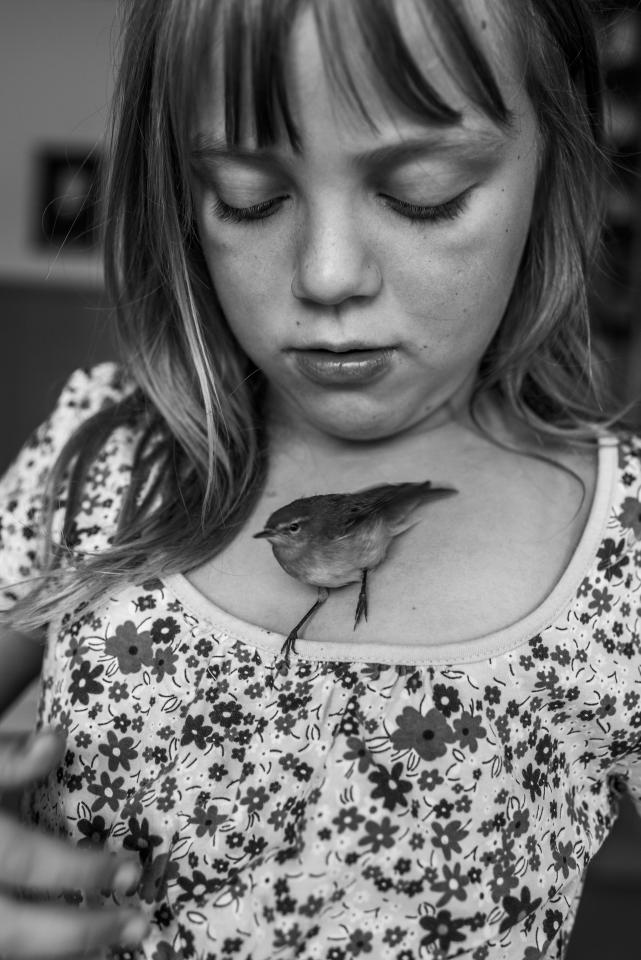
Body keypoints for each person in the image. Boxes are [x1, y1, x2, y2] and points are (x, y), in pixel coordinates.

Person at [1, 0, 639, 958]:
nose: (328, 274)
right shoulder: (100, 453)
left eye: (423, 192)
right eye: (249, 195)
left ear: (557, 177)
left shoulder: (624, 544)